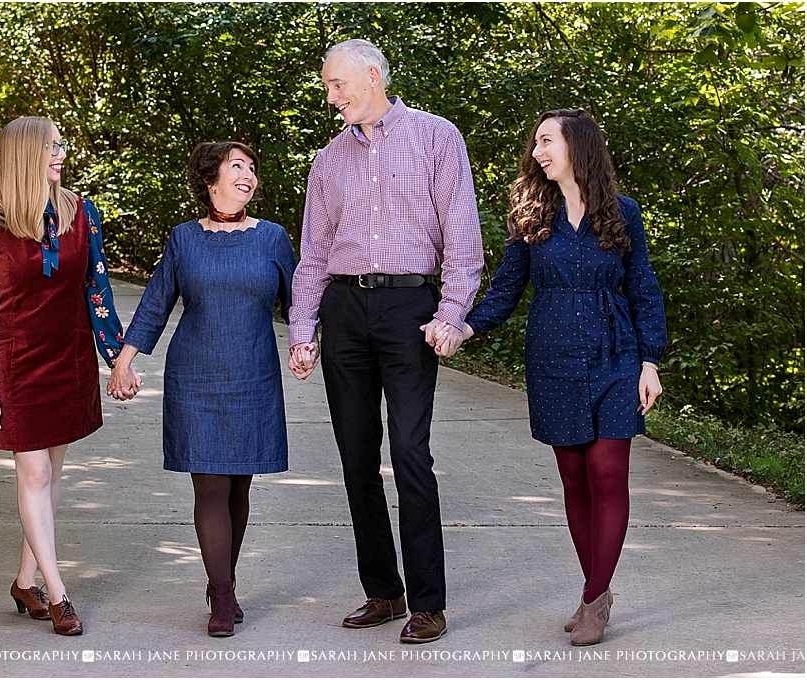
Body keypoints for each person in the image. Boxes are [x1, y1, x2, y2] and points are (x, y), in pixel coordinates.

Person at [443, 108, 666, 646]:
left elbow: (643, 289)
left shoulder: (622, 212)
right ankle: (597, 589)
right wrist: (462, 328)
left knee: (608, 473)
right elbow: (506, 288)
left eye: (548, 141)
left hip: (616, 354)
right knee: (573, 478)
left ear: (578, 146)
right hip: (553, 356)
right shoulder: (529, 213)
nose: (538, 152)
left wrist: (650, 361)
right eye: (536, 143)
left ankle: (593, 600)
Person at [287, 39, 484, 644]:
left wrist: (452, 311)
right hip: (345, 309)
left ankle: (429, 601)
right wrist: (303, 328)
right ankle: (384, 591)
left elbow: (462, 232)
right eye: (327, 87)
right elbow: (314, 254)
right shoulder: (327, 161)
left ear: (371, 76)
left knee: (410, 452)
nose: (331, 96)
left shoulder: (435, 136)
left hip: (409, 308)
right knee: (354, 456)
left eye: (337, 85)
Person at [106, 142, 296, 637]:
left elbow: (301, 301)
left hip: (253, 375)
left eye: (253, 168)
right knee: (209, 482)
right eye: (238, 167)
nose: (248, 175)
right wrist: (124, 361)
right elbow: (156, 302)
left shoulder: (273, 238)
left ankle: (221, 581)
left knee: (238, 484)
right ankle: (224, 594)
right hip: (196, 376)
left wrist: (308, 343)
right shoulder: (184, 239)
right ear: (210, 179)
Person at [0, 116, 139, 636]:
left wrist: (118, 358)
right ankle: (59, 592)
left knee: (51, 475)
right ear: (25, 155)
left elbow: (96, 290)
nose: (61, 153)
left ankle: (24, 580)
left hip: (69, 358)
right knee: (35, 475)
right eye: (51, 147)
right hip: (17, 363)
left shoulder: (81, 213)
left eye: (62, 145)